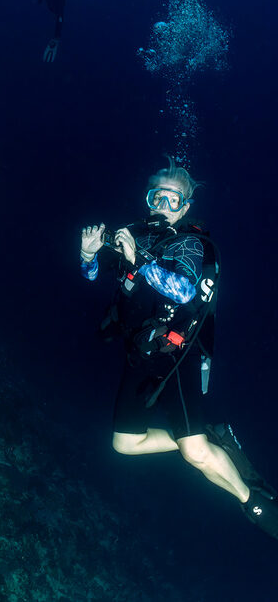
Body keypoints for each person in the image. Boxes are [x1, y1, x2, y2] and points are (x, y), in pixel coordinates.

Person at [80, 159, 278, 540]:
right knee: (123, 444)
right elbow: (99, 279)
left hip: (177, 356)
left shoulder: (188, 243)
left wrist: (140, 259)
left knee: (195, 454)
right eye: (159, 197)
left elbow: (185, 291)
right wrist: (89, 256)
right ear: (148, 198)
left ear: (186, 208)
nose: (164, 207)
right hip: (141, 355)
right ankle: (208, 433)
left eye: (174, 202)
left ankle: (252, 501)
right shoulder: (135, 235)